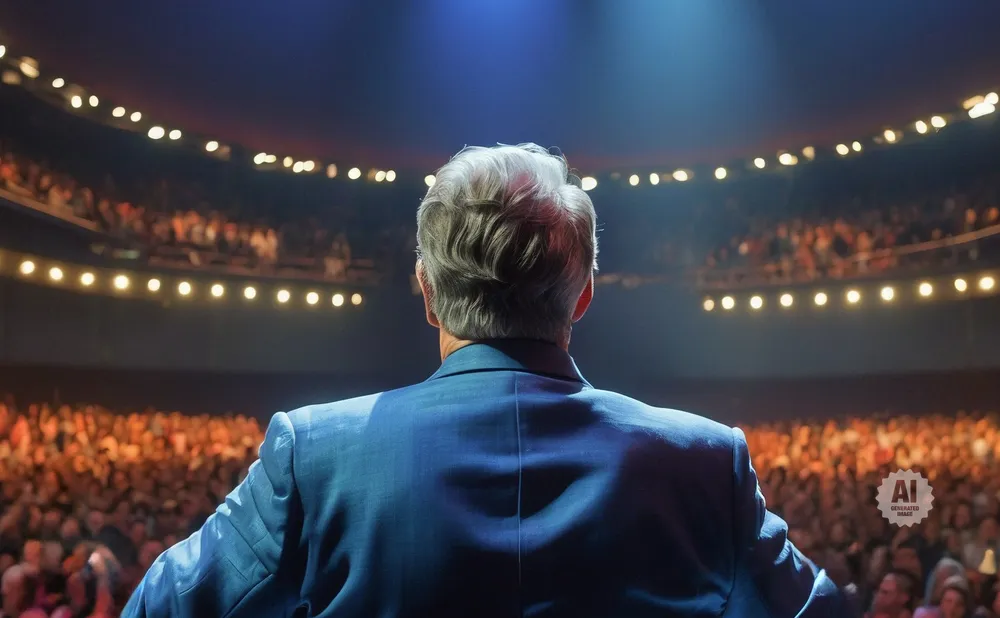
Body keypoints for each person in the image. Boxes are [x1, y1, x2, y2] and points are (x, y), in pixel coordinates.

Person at [122, 143, 844, 617]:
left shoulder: (314, 454)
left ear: (427, 292)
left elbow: (160, 609)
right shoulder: (706, 460)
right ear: (584, 296)